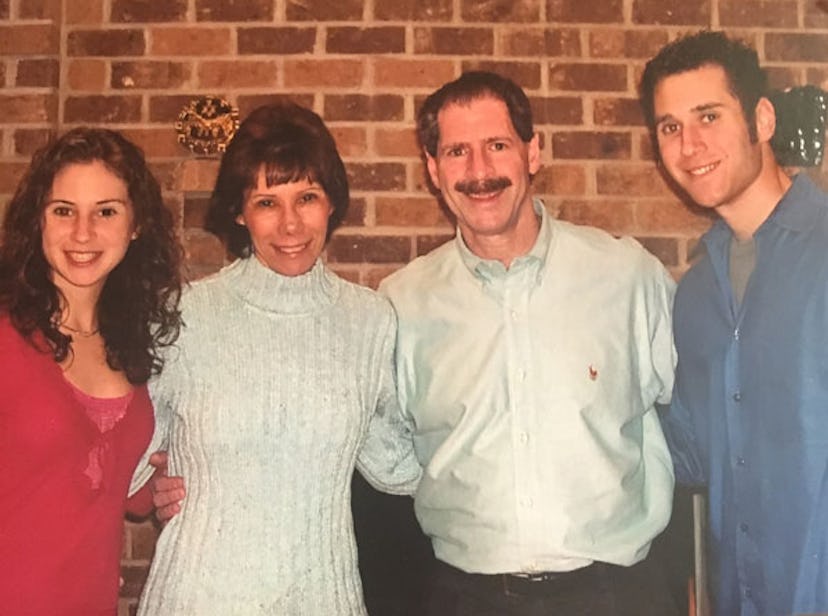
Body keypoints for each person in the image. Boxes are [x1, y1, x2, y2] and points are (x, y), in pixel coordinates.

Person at [376, 71, 680, 615]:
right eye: (457, 152)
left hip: (617, 596)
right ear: (432, 169)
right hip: (465, 598)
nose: (479, 172)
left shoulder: (628, 276)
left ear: (532, 152)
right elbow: (384, 452)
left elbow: (696, 414)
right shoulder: (401, 304)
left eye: (497, 146)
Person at [129, 102, 421, 615]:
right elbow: (120, 459)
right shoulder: (183, 316)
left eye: (307, 197)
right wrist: (150, 485)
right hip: (198, 598)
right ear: (239, 212)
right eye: (267, 202)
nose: (290, 225)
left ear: (332, 202)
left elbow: (398, 465)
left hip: (321, 597)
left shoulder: (370, 321)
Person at [640, 31, 828, 616]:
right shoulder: (696, 294)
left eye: (709, 116)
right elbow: (694, 458)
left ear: (763, 119)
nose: (690, 145)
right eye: (670, 127)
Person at [0, 127, 182, 615]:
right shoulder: (5, 340)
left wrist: (163, 486)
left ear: (135, 223)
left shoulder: (132, 345)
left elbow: (113, 484)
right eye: (63, 211)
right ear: (37, 220)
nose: (83, 233)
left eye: (105, 211)